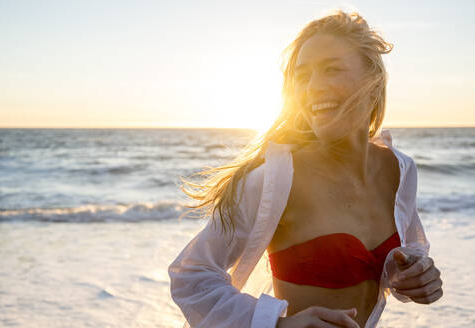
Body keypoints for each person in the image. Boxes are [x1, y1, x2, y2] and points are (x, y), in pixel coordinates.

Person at [168, 10, 443, 328]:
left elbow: (405, 253)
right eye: (303, 75)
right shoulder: (275, 180)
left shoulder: (400, 169)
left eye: (331, 70)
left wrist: (416, 274)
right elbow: (191, 275)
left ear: (373, 79)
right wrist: (278, 324)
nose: (313, 87)